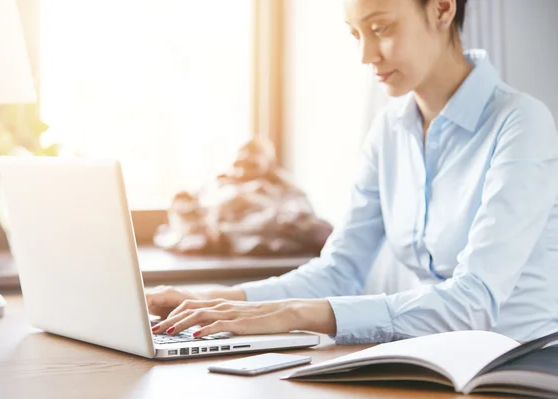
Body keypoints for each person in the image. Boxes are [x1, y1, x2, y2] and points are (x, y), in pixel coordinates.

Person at [147, 0, 558, 344]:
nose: (366, 56)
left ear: (442, 9)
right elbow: (340, 271)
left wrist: (294, 313)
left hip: (515, 368)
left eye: (380, 28)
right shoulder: (390, 130)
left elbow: (474, 302)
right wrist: (219, 299)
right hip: (431, 362)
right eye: (355, 34)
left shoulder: (521, 123)